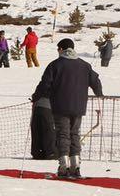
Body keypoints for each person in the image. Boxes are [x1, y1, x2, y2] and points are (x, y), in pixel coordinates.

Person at [32, 38, 103, 178]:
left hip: (60, 105)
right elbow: (95, 81)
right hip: (79, 106)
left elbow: (45, 84)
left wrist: (36, 96)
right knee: (74, 133)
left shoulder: (55, 65)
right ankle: (75, 165)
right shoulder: (84, 65)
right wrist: (99, 93)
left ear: (61, 49)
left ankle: (64, 165)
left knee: (63, 134)